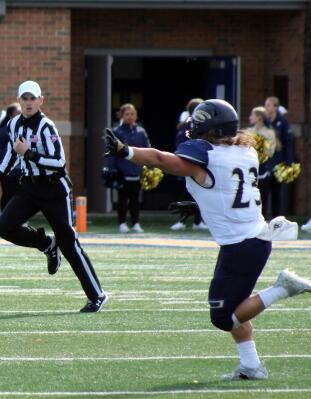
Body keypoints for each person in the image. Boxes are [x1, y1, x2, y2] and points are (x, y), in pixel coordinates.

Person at [103, 98, 311, 380]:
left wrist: (125, 151)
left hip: (242, 245)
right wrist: (202, 204)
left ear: (210, 127)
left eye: (199, 122)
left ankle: (283, 288)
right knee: (233, 305)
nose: (193, 127)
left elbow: (161, 160)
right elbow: (228, 189)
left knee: (223, 316)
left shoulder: (209, 155)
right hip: (251, 240)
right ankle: (251, 366)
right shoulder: (244, 150)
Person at [0, 80, 107, 312]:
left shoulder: (46, 126)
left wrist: (29, 153)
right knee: (5, 226)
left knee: (69, 243)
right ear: (19, 101)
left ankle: (97, 295)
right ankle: (47, 245)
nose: (29, 102)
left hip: (54, 189)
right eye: (25, 98)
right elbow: (12, 154)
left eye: (33, 98)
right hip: (29, 187)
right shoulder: (13, 124)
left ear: (41, 100)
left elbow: (59, 163)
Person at [105, 103, 150, 233]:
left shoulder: (141, 132)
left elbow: (147, 149)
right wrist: (112, 169)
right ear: (122, 116)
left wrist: (148, 167)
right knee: (122, 200)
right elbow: (111, 153)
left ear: (136, 115)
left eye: (132, 114)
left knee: (135, 200)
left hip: (137, 171)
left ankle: (136, 223)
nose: (130, 117)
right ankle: (122, 223)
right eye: (127, 114)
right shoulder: (116, 132)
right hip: (122, 172)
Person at [170, 98, 207, 231]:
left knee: (200, 194)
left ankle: (198, 221)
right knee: (187, 192)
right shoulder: (185, 126)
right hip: (188, 163)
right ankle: (182, 220)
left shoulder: (205, 127)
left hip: (200, 164)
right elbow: (179, 143)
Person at [263, 96, 294, 218]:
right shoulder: (263, 121)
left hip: (278, 161)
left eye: (268, 105)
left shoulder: (283, 122)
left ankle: (276, 219)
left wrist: (288, 162)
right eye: (266, 105)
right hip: (265, 162)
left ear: (275, 107)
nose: (266, 108)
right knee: (263, 192)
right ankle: (263, 218)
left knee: (276, 192)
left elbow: (288, 142)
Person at [248, 106, 278, 220]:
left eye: (252, 115)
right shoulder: (249, 131)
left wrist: (261, 148)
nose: (250, 117)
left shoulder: (269, 133)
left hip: (263, 168)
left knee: (263, 196)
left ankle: (262, 219)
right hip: (250, 168)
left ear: (259, 118)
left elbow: (270, 152)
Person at [0, 102, 21, 210]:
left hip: (20, 168)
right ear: (11, 115)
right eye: (17, 112)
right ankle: (4, 215)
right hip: (8, 169)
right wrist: (5, 157)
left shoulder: (22, 129)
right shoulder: (5, 130)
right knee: (8, 193)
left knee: (19, 195)